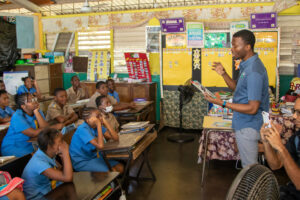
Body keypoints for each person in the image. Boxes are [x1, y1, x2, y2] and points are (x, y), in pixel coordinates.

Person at [204, 29, 269, 168]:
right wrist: (224, 74)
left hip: (249, 125)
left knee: (250, 169)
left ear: (248, 47)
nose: (232, 49)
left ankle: (253, 189)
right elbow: (238, 89)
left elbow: (252, 108)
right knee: (247, 160)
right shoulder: (247, 65)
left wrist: (222, 103)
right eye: (232, 45)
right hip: (243, 123)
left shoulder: (253, 71)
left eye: (235, 45)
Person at [260, 97, 300, 199]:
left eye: (299, 112)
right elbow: (275, 165)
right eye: (294, 111)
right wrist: (266, 142)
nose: (294, 116)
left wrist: (281, 147)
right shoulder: (297, 138)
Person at [22, 128, 73, 200]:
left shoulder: (47, 153)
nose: (64, 144)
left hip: (49, 191)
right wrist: (65, 153)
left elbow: (62, 171)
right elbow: (67, 178)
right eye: (60, 142)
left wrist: (63, 157)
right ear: (49, 146)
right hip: (38, 197)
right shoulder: (39, 163)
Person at [69, 107, 123, 173]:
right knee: (112, 172)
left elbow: (115, 138)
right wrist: (98, 125)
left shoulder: (95, 126)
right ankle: (114, 183)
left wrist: (106, 122)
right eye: (97, 117)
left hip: (95, 157)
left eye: (100, 115)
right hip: (82, 162)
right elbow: (100, 146)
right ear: (88, 120)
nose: (100, 118)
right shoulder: (82, 129)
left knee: (120, 167)